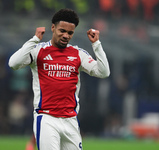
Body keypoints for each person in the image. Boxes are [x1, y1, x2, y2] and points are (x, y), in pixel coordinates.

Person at [9, 8, 110, 150]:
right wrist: (34, 39)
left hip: (71, 121)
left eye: (70, 33)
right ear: (53, 27)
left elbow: (104, 72)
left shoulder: (78, 54)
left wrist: (96, 45)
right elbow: (13, 63)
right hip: (47, 118)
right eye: (62, 30)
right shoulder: (38, 50)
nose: (66, 35)